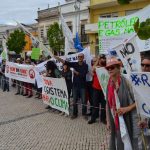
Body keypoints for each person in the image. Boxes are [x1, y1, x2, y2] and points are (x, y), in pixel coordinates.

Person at [106, 57, 140, 150]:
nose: (109, 69)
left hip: (129, 119)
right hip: (115, 120)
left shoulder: (128, 82)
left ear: (118, 68)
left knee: (131, 143)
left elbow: (139, 101)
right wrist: (108, 120)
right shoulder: (109, 83)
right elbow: (107, 104)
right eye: (107, 68)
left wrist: (127, 109)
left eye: (112, 67)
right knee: (117, 141)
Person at [54, 53, 88, 119]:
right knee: (74, 101)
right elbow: (65, 62)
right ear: (77, 57)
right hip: (75, 86)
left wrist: (76, 73)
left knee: (84, 101)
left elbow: (83, 75)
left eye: (81, 57)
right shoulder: (75, 64)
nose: (80, 58)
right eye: (79, 57)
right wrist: (57, 58)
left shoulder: (85, 65)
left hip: (83, 86)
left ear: (83, 57)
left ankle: (84, 114)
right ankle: (75, 114)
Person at [88, 55, 106, 124]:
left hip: (104, 90)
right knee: (95, 104)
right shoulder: (97, 67)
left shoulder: (107, 67)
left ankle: (103, 119)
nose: (102, 60)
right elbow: (92, 69)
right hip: (96, 89)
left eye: (103, 59)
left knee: (104, 105)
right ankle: (93, 118)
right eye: (101, 59)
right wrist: (98, 59)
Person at [138, 55, 150, 150]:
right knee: (144, 144)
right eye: (143, 65)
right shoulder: (136, 79)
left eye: (147, 65)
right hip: (142, 119)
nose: (144, 67)